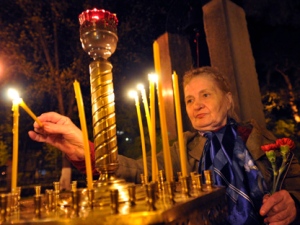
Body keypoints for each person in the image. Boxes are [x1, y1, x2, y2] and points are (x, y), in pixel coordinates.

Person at [28, 66, 300, 225]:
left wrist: (294, 202)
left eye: (206, 94)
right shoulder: (182, 148)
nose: (197, 104)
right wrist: (84, 150)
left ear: (228, 100)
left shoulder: (262, 139)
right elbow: (137, 172)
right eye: (190, 100)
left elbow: (296, 183)